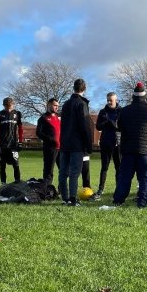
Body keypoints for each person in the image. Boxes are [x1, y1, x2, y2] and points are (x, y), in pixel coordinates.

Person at [112, 82, 147, 209]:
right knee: (145, 178)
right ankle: (143, 202)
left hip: (128, 149)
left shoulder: (124, 111)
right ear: (144, 97)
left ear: (133, 96)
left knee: (125, 176)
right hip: (145, 150)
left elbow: (119, 127)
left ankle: (118, 200)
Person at [59, 78, 93, 206]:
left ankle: (65, 198)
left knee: (63, 172)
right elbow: (85, 126)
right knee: (74, 172)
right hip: (77, 144)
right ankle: (72, 199)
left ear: (73, 88)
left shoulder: (66, 104)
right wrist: (88, 144)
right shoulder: (81, 104)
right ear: (84, 89)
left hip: (64, 142)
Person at [94, 92, 121, 199]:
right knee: (104, 167)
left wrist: (114, 125)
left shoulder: (121, 111)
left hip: (118, 143)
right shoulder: (103, 112)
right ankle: (100, 189)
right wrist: (106, 122)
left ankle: (119, 189)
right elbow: (98, 127)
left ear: (116, 100)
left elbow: (123, 126)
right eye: (108, 100)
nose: (109, 102)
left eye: (111, 100)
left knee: (119, 168)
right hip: (105, 143)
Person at [0, 97, 24, 185]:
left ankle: (18, 183)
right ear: (3, 105)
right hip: (2, 144)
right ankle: (3, 184)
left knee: (16, 164)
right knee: (2, 166)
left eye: (9, 106)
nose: (8, 108)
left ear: (13, 104)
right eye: (6, 106)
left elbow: (20, 128)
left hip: (13, 144)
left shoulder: (17, 114)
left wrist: (20, 142)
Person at [36, 98, 61, 184]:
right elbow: (38, 133)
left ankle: (62, 189)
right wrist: (50, 139)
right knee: (49, 170)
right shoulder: (43, 118)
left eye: (58, 106)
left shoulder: (59, 117)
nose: (57, 107)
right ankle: (47, 189)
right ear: (49, 105)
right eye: (55, 105)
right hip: (50, 148)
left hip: (61, 148)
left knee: (64, 170)